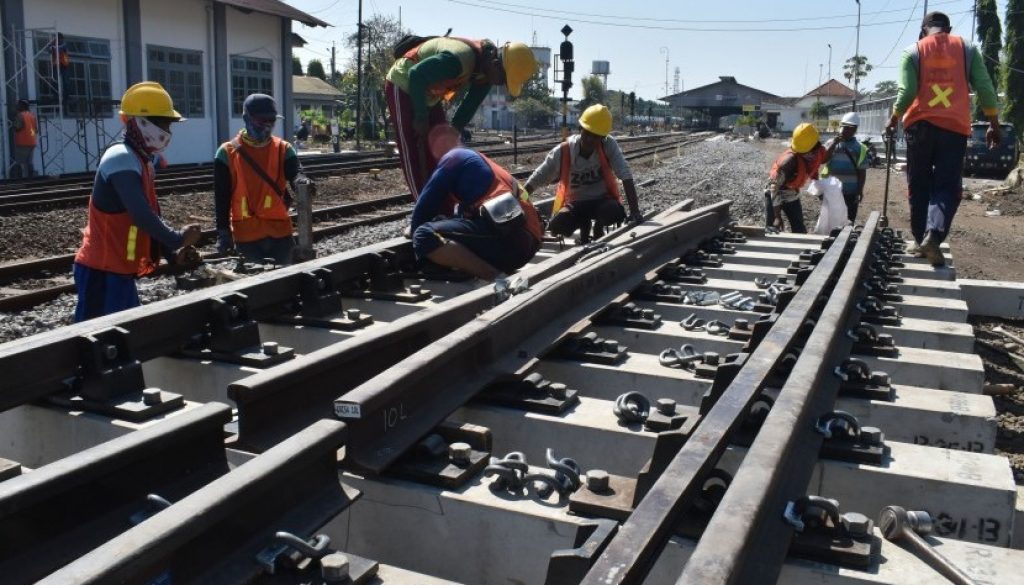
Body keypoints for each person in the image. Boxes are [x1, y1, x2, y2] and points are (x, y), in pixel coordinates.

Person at [73, 82, 201, 321]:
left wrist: (172, 254)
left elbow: (151, 214)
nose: (167, 130)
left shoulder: (142, 161)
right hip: (101, 271)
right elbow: (141, 215)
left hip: (118, 269)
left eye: (168, 124)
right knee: (96, 345)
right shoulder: (120, 158)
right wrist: (176, 238)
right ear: (140, 121)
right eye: (162, 122)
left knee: (122, 339)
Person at [885, 11, 1001, 267]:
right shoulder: (967, 49)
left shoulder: (913, 51)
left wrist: (894, 119)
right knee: (947, 186)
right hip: (954, 129)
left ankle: (919, 240)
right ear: (947, 29)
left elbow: (906, 93)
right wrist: (993, 124)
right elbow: (985, 87)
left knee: (919, 184)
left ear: (923, 30)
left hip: (919, 127)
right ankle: (933, 236)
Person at [385, 36, 538, 202]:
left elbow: (467, 108)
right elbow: (416, 75)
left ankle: (444, 203)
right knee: (413, 150)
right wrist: (421, 117)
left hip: (429, 93)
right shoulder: (458, 60)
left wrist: (452, 133)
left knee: (442, 150)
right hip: (404, 83)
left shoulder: (485, 74)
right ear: (495, 65)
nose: (500, 85)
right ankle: (423, 213)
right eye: (503, 80)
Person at [410, 147, 543, 280]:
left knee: (424, 235)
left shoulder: (451, 159)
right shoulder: (475, 160)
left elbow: (422, 210)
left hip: (512, 243)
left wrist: (419, 250)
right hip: (529, 242)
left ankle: (496, 277)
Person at [214, 94, 313, 264]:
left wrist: (301, 180)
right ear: (246, 118)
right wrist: (223, 233)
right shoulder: (226, 153)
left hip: (280, 233)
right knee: (255, 286)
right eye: (262, 121)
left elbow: (295, 172)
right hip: (246, 237)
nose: (267, 126)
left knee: (286, 283)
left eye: (271, 121)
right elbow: (222, 198)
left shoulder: (283, 148)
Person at [522, 104, 642, 244]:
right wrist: (521, 198)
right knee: (557, 227)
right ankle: (584, 225)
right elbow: (539, 176)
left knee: (613, 212)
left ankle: (599, 228)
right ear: (580, 129)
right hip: (576, 203)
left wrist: (635, 211)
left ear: (603, 137)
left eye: (595, 136)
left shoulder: (608, 145)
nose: (590, 139)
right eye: (587, 133)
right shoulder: (564, 150)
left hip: (603, 201)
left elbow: (625, 174)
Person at [765, 122, 836, 233]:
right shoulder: (789, 161)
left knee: (799, 229)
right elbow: (773, 187)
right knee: (772, 229)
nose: (813, 154)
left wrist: (835, 143)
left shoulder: (816, 152)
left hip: (791, 193)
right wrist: (777, 216)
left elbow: (823, 159)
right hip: (774, 192)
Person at [822, 112, 868, 222]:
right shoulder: (830, 143)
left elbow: (862, 172)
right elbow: (823, 160)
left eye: (849, 128)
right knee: (831, 220)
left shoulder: (860, 148)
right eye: (844, 127)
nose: (845, 130)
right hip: (832, 190)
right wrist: (834, 143)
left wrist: (859, 190)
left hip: (850, 192)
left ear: (855, 129)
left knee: (848, 220)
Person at [10, 99, 37, 178]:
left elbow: (17, 127)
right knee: (29, 162)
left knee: (21, 163)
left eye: (18, 105)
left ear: (22, 106)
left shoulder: (20, 115)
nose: (17, 106)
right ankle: (31, 177)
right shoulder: (32, 115)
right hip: (32, 142)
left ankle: (22, 179)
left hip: (23, 142)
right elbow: (35, 129)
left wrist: (13, 123)